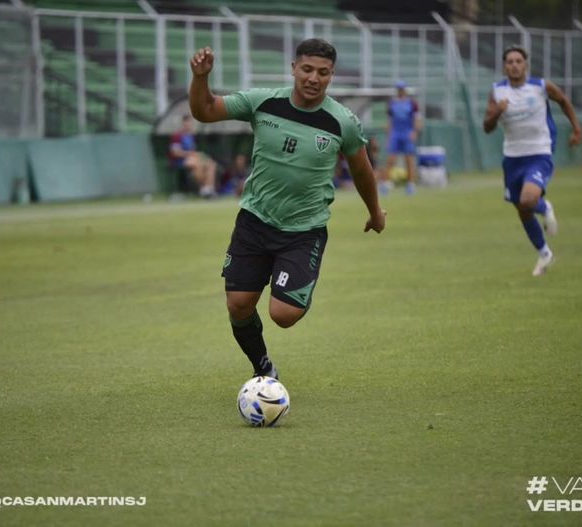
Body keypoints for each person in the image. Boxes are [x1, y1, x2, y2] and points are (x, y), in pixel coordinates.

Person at [189, 38, 386, 379]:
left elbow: (361, 170)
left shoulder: (342, 122)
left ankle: (297, 284)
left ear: (332, 75)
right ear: (294, 68)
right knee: (238, 304)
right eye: (307, 69)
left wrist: (375, 211)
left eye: (323, 73)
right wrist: (200, 78)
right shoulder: (263, 102)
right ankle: (263, 368)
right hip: (254, 221)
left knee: (284, 314)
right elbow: (205, 111)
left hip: (303, 231)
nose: (313, 78)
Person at [484, 44, 582, 276]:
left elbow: (563, 100)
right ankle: (544, 253)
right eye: (510, 62)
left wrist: (577, 129)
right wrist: (498, 112)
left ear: (526, 65)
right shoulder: (497, 91)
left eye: (518, 61)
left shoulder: (540, 86)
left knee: (528, 200)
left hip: (539, 153)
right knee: (522, 209)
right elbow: (487, 127)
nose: (514, 66)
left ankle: (545, 206)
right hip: (512, 158)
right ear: (504, 66)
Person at [382, 80, 423, 195]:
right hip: (395, 133)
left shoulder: (412, 104)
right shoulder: (392, 103)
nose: (400, 91)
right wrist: (389, 135)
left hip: (407, 133)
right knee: (391, 159)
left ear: (404, 90)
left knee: (409, 159)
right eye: (398, 89)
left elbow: (417, 119)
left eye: (401, 89)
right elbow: (389, 121)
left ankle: (410, 184)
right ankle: (386, 183)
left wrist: (415, 132)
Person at [168, 115, 217, 198]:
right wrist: (190, 154)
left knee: (211, 164)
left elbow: (193, 151)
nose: (188, 124)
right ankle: (203, 188)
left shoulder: (192, 135)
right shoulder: (177, 136)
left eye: (190, 122)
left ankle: (209, 188)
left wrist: (198, 154)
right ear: (183, 123)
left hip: (192, 158)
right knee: (197, 164)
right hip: (180, 160)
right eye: (186, 122)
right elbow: (175, 153)